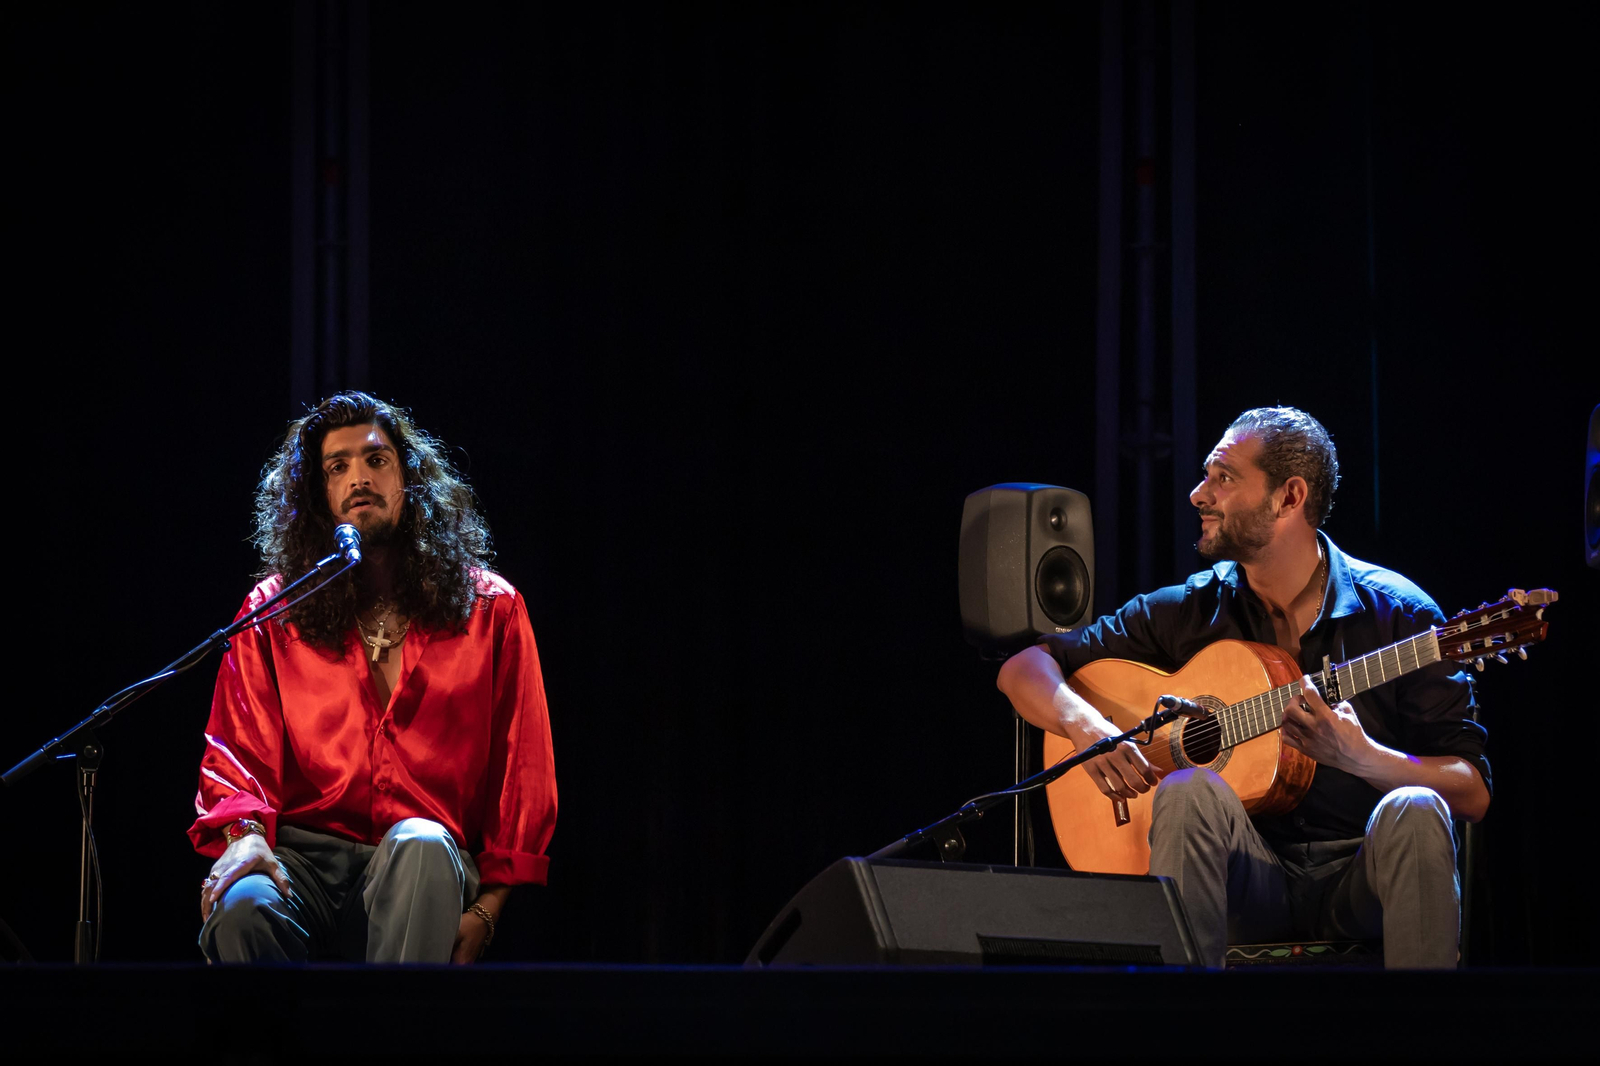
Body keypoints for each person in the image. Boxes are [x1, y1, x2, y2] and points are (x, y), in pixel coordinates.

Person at [998, 407, 1488, 969]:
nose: (1197, 494)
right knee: (1187, 790)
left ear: (1289, 496)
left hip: (1366, 879)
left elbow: (1471, 792)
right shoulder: (1191, 609)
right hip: (1244, 883)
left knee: (1417, 805)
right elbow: (1025, 666)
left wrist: (1364, 758)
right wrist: (1087, 727)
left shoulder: (1400, 614)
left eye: (1223, 477)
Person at [190, 391, 556, 963]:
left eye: (376, 459)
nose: (359, 477)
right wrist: (247, 839)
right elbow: (237, 756)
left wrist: (488, 910)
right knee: (242, 906)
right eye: (338, 467)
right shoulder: (273, 611)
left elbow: (523, 774)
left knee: (422, 843)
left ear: (409, 479)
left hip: (424, 866)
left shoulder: (493, 609)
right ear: (319, 495)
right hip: (303, 864)